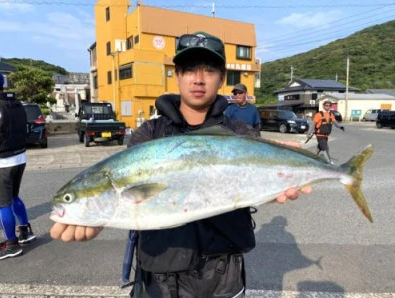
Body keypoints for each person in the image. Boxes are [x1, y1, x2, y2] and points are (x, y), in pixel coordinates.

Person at [50, 32, 311, 297]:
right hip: (157, 277)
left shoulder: (240, 133)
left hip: (220, 276)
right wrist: (99, 218)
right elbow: (132, 202)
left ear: (222, 77)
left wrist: (284, 178)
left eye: (209, 70)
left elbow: (252, 184)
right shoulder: (148, 135)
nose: (198, 79)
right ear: (177, 75)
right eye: (189, 70)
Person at [0, 69, 36, 260]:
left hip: (2, 162)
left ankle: (12, 244)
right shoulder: (16, 103)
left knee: (2, 204)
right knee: (14, 197)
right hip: (20, 157)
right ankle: (26, 231)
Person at [307, 100, 345, 164]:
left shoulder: (330, 114)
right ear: (323, 106)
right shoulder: (319, 114)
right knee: (325, 148)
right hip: (320, 135)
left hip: (326, 136)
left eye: (329, 106)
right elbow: (313, 124)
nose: (328, 107)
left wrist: (340, 127)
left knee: (319, 148)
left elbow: (334, 122)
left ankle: (310, 160)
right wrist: (309, 132)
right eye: (326, 105)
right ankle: (329, 162)